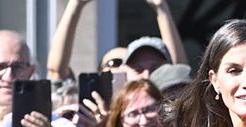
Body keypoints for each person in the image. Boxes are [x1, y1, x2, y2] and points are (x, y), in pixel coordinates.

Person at [48, 0, 187, 80]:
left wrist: (162, 8)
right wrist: (75, 5)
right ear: (100, 74)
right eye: (115, 63)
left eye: (134, 65)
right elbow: (56, 71)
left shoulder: (150, 112)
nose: (123, 69)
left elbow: (179, 71)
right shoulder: (91, 110)